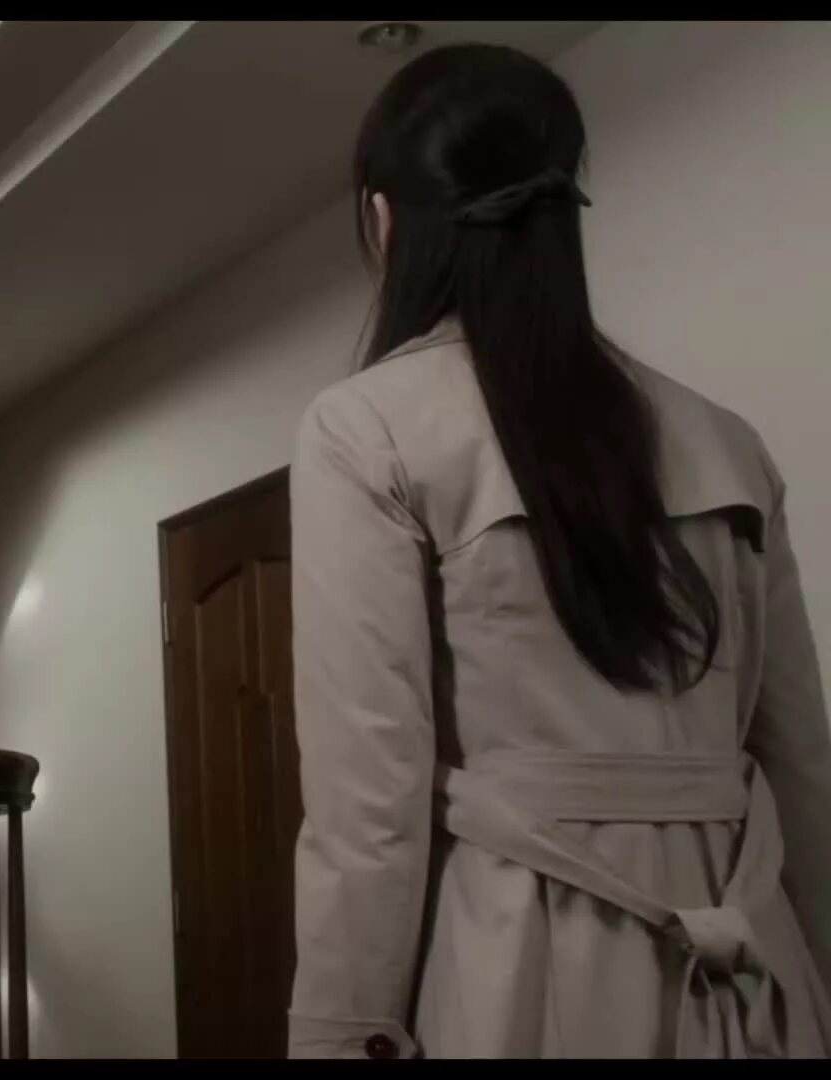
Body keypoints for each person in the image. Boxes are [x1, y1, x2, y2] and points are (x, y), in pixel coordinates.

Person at [285, 42, 831, 1058]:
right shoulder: (726, 441)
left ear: (383, 220)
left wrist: (338, 1041)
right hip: (754, 969)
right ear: (562, 208)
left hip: (522, 974)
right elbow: (801, 765)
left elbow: (369, 812)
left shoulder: (366, 428)